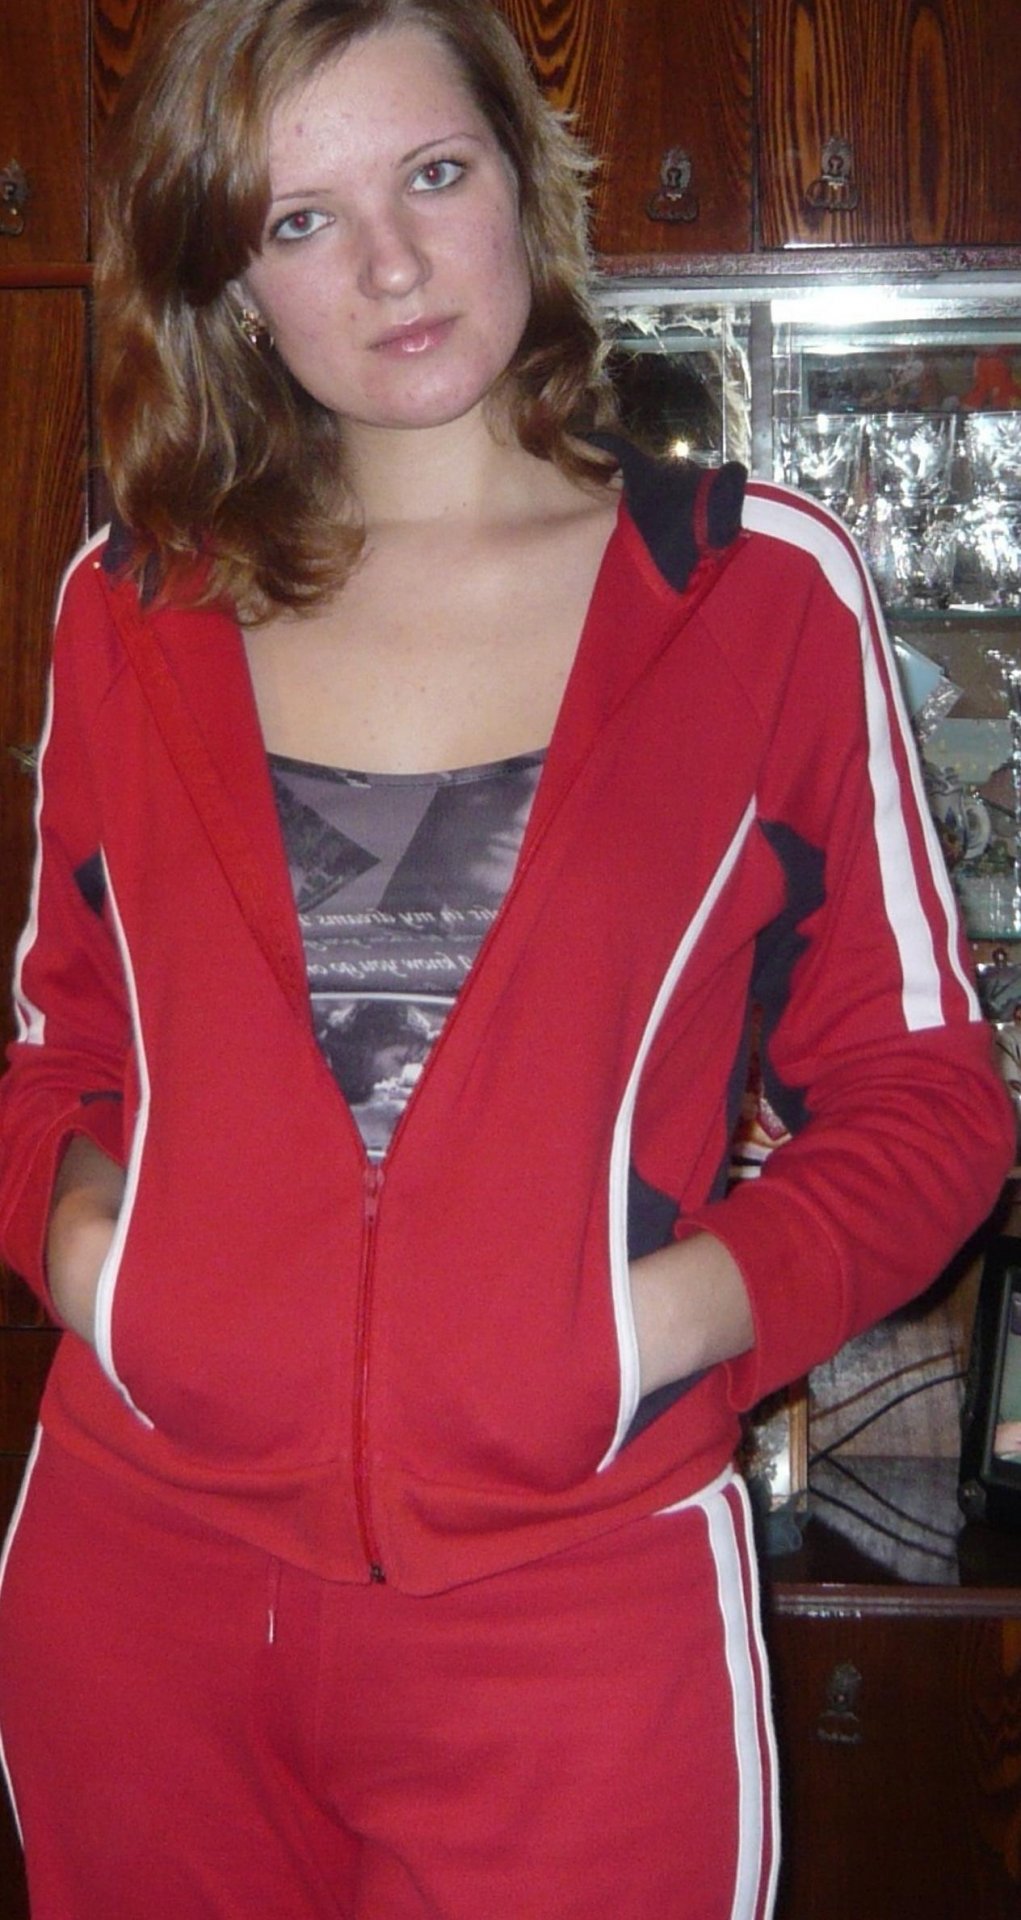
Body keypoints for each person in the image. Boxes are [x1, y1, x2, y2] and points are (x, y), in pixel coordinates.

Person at [0, 2, 1013, 1914]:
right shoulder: (127, 606)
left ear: (524, 184)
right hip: (137, 1597)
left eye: (433, 175)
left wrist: (651, 1330)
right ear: (231, 283)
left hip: (578, 1610)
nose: (389, 266)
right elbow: (62, 1052)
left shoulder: (756, 596)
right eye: (300, 220)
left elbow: (923, 1099)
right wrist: (95, 1270)